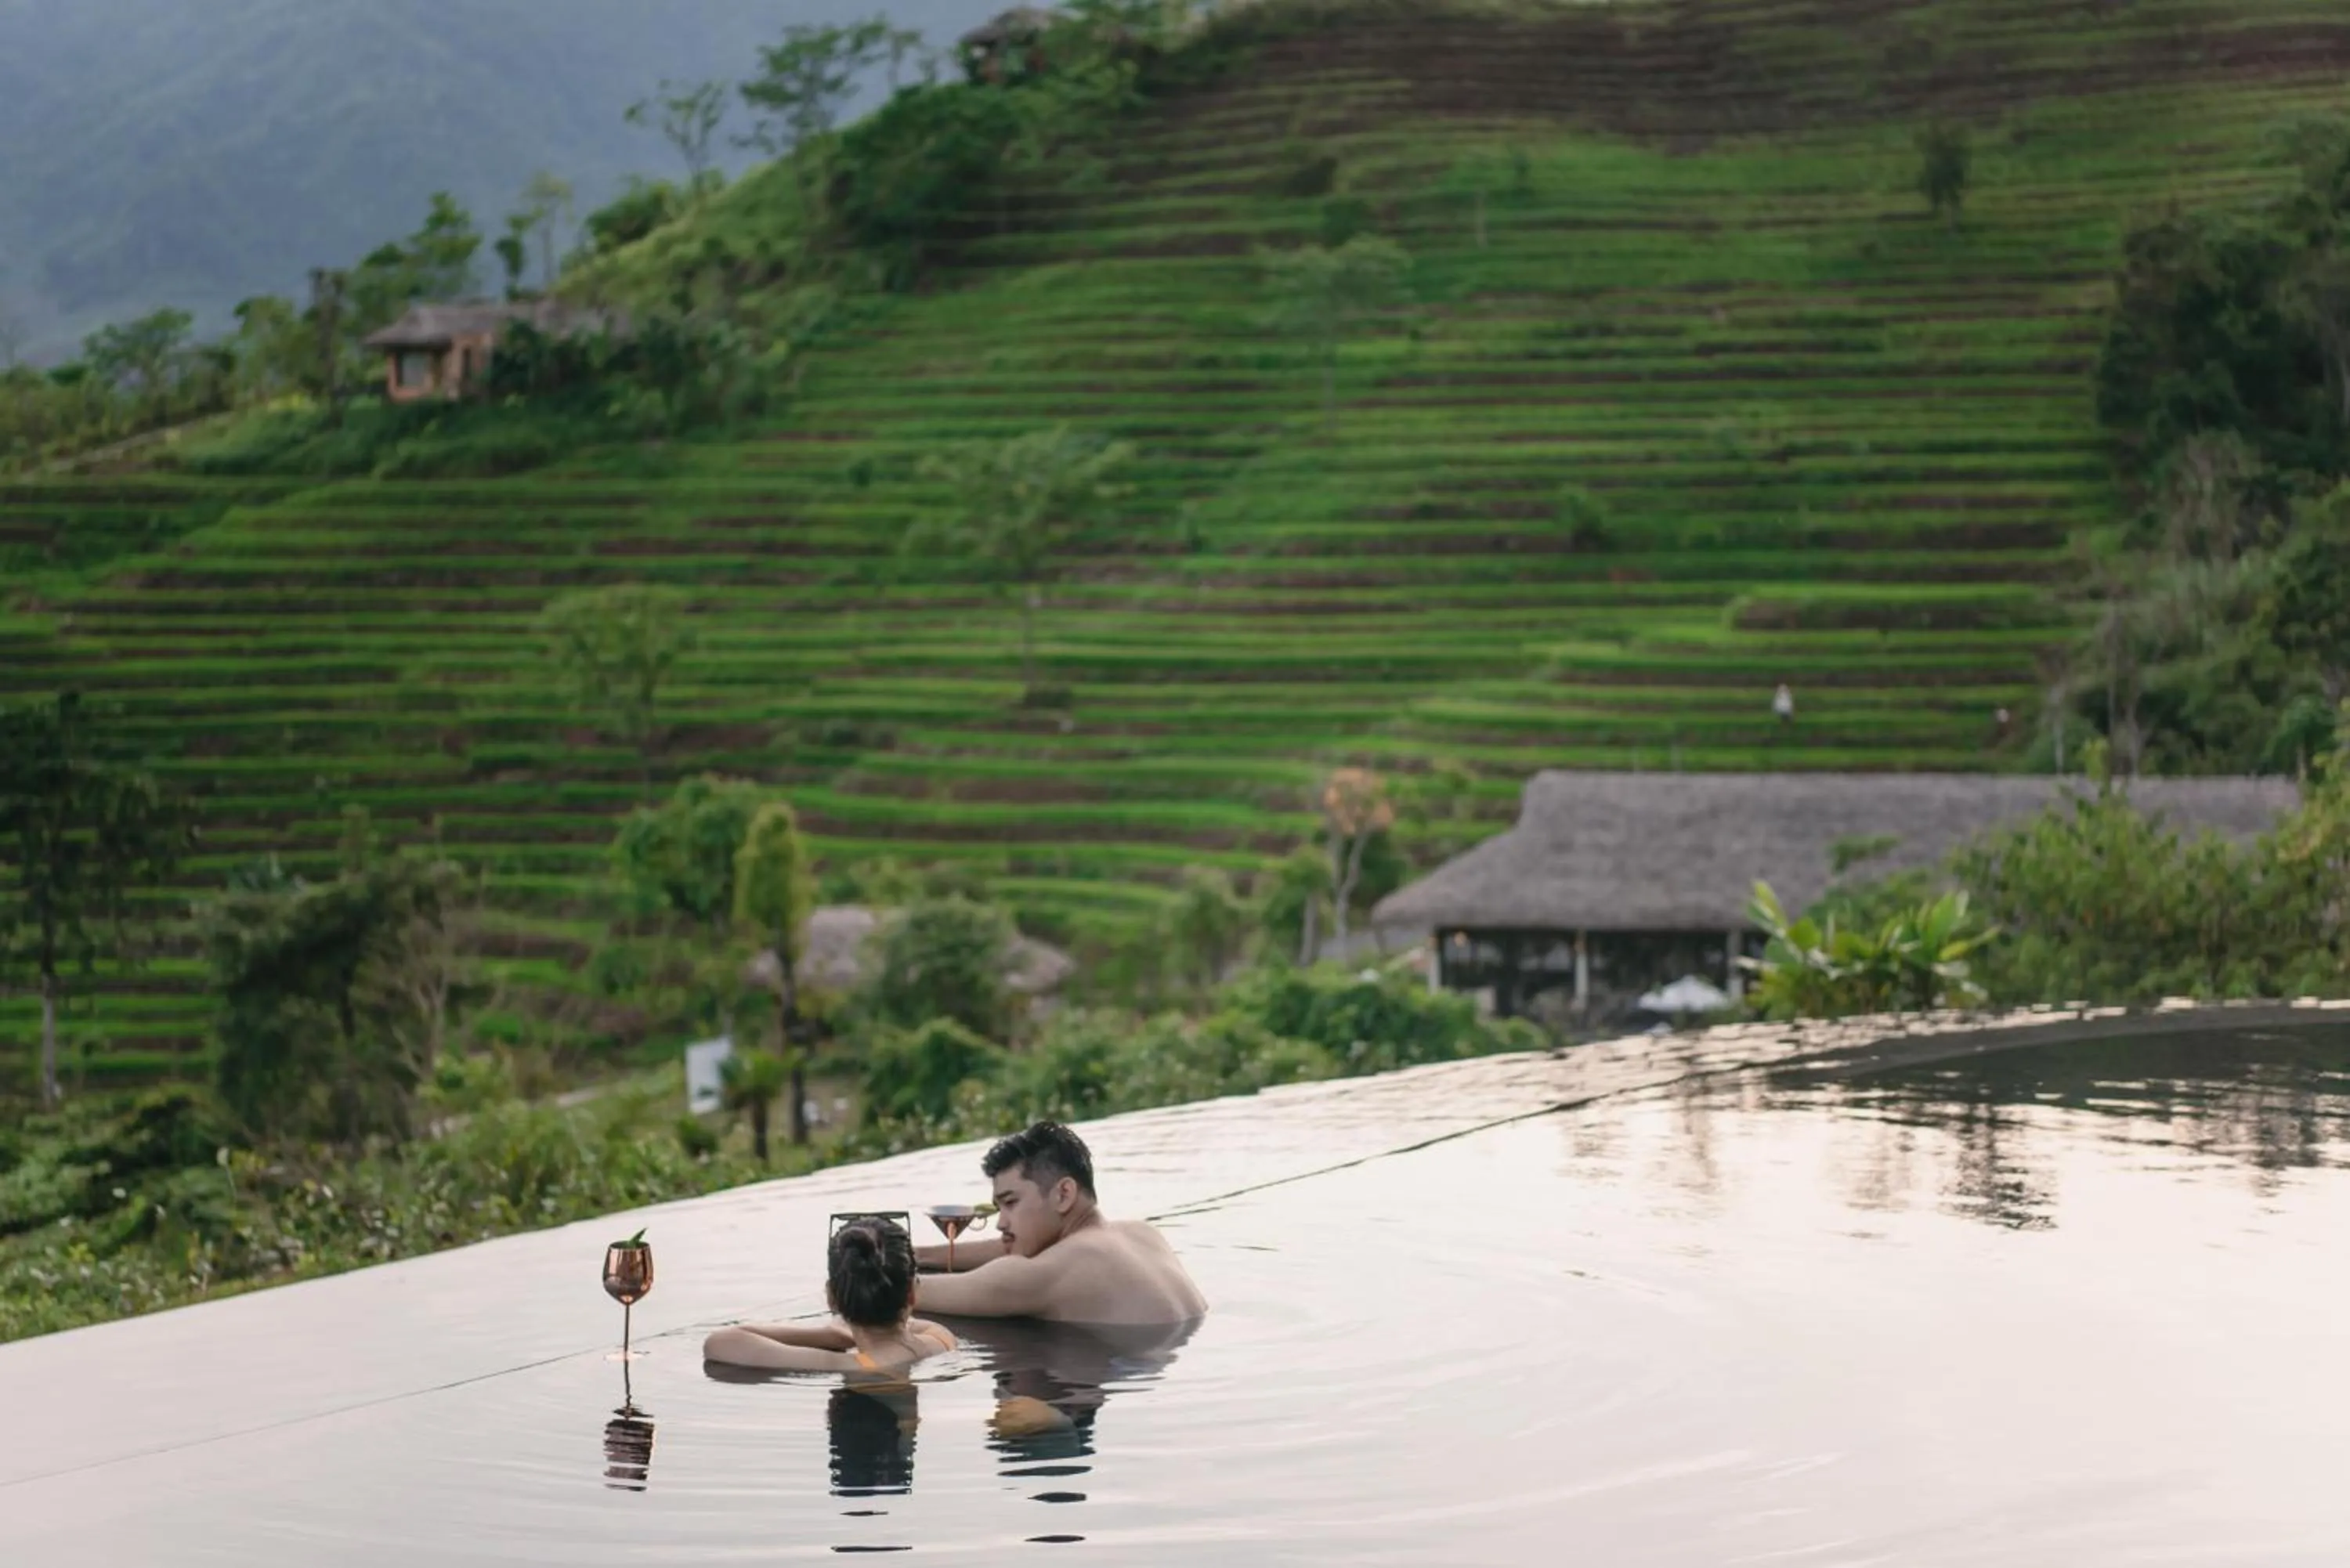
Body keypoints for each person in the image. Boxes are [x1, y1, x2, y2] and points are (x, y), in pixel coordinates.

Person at [910, 1121, 1208, 1326]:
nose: (1001, 1224)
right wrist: (920, 1255)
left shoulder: (1046, 1273)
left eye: (1011, 1203)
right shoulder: (1141, 1234)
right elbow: (1019, 1248)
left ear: (1064, 1194)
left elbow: (902, 1293)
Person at [703, 1216, 958, 1374]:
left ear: (831, 1297)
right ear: (913, 1293)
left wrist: (830, 1336)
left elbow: (720, 1342)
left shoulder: (847, 1366)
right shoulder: (942, 1342)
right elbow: (918, 1327)